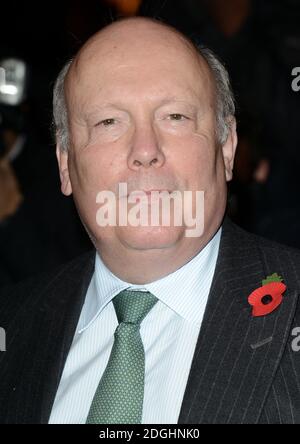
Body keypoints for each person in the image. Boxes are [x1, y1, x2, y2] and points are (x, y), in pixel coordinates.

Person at [0, 17, 300, 425]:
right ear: (66, 165)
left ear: (226, 146)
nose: (145, 150)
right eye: (109, 122)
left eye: (175, 116)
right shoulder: (12, 327)